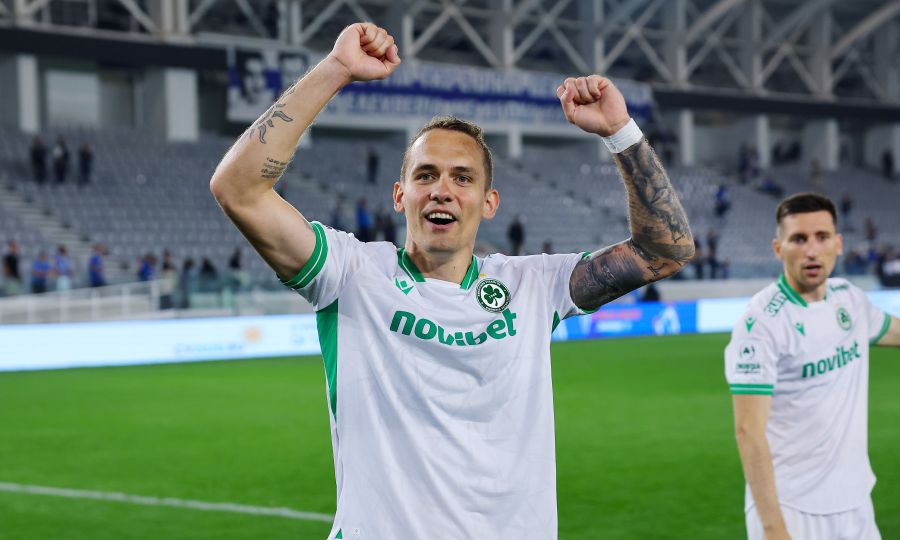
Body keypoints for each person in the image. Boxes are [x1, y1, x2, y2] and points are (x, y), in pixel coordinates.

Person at [209, 22, 693, 539]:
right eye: (426, 175)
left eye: (463, 178)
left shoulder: (532, 286)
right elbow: (239, 190)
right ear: (400, 196)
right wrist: (336, 68)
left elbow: (666, 251)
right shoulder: (348, 274)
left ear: (489, 203)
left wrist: (621, 131)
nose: (442, 190)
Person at [725, 193, 899, 540]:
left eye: (822, 237)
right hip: (792, 510)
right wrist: (774, 529)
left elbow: (895, 331)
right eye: (799, 239)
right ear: (779, 249)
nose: (812, 250)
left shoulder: (849, 299)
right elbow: (748, 432)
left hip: (855, 505)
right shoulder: (760, 324)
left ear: (838, 244)